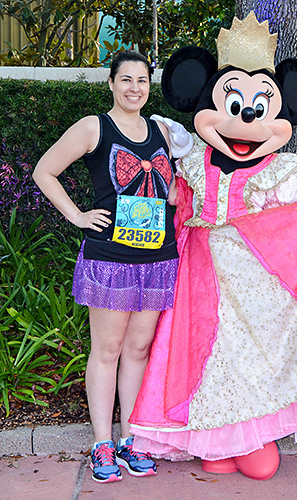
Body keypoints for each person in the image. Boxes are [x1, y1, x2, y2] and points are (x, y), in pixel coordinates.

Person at [128, 13, 297, 480]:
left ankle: (254, 436)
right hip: (201, 281)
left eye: (261, 106)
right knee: (206, 357)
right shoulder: (194, 162)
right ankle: (214, 439)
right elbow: (177, 204)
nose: (247, 118)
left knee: (256, 354)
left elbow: (291, 225)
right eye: (233, 102)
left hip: (260, 283)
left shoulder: (280, 171)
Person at [33, 51, 192, 483]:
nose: (134, 88)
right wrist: (78, 216)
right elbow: (44, 172)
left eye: (142, 81)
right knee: (107, 351)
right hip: (111, 259)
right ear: (111, 82)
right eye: (126, 80)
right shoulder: (92, 127)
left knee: (138, 351)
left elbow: (172, 192)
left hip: (158, 258)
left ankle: (131, 440)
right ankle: (102, 443)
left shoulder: (161, 131)